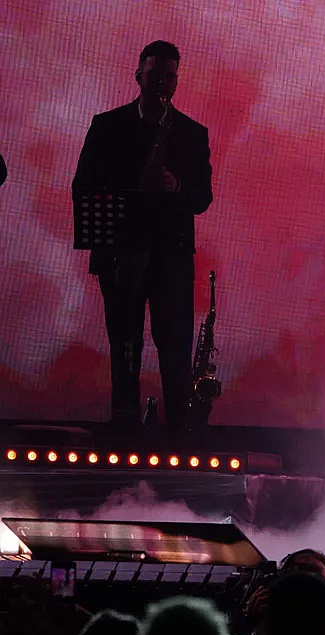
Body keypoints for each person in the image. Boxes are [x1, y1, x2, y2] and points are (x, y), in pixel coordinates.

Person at [73, 40, 213, 432]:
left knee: (175, 351)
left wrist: (177, 186)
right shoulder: (107, 126)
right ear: (138, 76)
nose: (162, 83)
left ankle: (180, 436)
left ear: (177, 81)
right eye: (154, 75)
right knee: (124, 351)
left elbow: (203, 198)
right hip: (121, 259)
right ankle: (124, 432)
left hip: (170, 260)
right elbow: (82, 186)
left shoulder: (192, 134)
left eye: (169, 77)